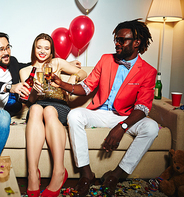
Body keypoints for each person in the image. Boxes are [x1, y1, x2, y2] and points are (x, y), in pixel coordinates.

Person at [50, 19, 159, 196]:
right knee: (74, 115)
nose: (117, 43)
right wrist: (61, 83)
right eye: (116, 39)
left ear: (137, 43)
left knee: (152, 127)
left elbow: (142, 108)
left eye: (122, 40)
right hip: (100, 112)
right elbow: (86, 87)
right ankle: (86, 175)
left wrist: (121, 127)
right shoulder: (106, 59)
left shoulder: (148, 71)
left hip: (125, 117)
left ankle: (115, 176)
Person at [19, 33, 87, 197]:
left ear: (51, 51)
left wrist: (71, 79)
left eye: (46, 48)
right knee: (35, 109)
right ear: (34, 49)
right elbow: (29, 101)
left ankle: (58, 172)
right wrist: (34, 91)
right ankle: (33, 174)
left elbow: (83, 73)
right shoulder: (25, 71)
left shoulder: (57, 63)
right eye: (39, 47)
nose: (42, 51)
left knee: (49, 110)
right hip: (37, 105)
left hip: (58, 106)